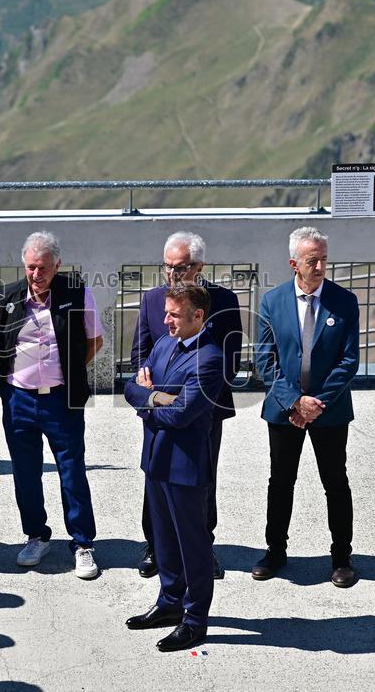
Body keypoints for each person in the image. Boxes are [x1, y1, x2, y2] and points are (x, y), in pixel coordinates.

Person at [0, 231, 104, 579]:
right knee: (26, 473)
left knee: (71, 471)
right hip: (19, 399)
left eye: (42, 268)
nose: (35, 275)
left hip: (60, 399)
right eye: (30, 268)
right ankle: (36, 536)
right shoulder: (8, 296)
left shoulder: (77, 292)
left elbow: (94, 341)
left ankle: (82, 543)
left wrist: (68, 371)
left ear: (57, 264)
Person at [130, 231, 242, 580]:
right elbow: (140, 355)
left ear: (199, 266)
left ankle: (202, 546)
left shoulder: (223, 300)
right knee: (155, 474)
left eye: (179, 268)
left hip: (204, 411)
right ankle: (155, 546)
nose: (172, 274)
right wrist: (158, 398)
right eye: (167, 267)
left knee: (201, 478)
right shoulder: (152, 300)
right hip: (159, 412)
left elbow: (230, 360)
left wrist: (193, 399)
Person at [253, 226, 360, 587]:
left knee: (335, 482)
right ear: (293, 264)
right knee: (281, 481)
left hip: (330, 411)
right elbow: (264, 359)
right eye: (312, 260)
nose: (320, 266)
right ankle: (275, 551)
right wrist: (294, 401)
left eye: (324, 259)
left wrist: (317, 403)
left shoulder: (344, 302)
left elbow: (348, 361)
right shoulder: (272, 301)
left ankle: (342, 557)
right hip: (284, 410)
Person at [124, 282, 224, 652]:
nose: (165, 320)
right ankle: (169, 602)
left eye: (174, 314)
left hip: (185, 465)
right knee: (163, 540)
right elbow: (130, 388)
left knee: (192, 545)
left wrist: (149, 401)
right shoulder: (165, 343)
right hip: (156, 459)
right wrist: (156, 397)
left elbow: (183, 415)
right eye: (165, 311)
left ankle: (195, 619)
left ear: (198, 316)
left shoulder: (210, 357)